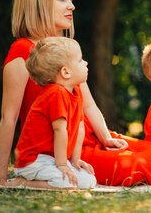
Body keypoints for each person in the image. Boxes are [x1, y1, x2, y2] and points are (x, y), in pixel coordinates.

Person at [0, 0, 151, 187]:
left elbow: (88, 104)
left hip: (87, 138)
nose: (72, 6)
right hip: (60, 149)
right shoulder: (22, 52)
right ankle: (27, 180)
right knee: (139, 165)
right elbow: (8, 118)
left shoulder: (68, 49)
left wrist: (106, 138)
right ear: (38, 4)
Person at [13, 37, 96, 189]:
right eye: (80, 60)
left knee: (89, 181)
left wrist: (75, 160)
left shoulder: (76, 91)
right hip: (34, 160)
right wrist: (63, 165)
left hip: (52, 159)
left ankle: (51, 177)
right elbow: (60, 130)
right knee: (67, 184)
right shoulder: (56, 93)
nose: (85, 63)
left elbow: (80, 128)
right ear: (65, 72)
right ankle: (23, 182)